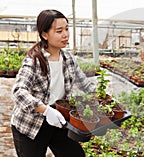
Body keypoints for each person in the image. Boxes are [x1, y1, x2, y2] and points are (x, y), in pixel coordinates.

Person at [10, 9, 96, 157]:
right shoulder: (34, 60)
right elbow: (18, 91)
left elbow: (86, 85)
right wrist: (46, 110)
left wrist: (104, 100)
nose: (65, 34)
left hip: (59, 119)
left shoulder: (68, 59)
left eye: (67, 29)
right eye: (59, 31)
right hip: (31, 125)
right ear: (45, 34)